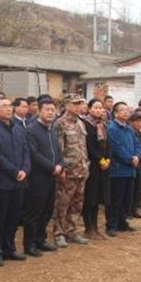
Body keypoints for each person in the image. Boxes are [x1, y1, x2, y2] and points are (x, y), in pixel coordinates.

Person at [0, 98, 30, 265]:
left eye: (10, 106)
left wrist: (25, 169)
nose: (8, 109)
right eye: (4, 106)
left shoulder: (19, 128)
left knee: (14, 217)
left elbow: (26, 151)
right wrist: (13, 171)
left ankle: (9, 248)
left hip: (19, 181)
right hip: (1, 181)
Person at [22, 98, 63, 256]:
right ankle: (29, 243)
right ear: (39, 111)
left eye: (53, 110)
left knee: (47, 210)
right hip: (37, 177)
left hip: (52, 176)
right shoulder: (32, 130)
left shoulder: (52, 130)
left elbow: (58, 151)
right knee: (34, 211)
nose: (50, 112)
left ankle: (41, 239)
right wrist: (52, 167)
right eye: (47, 109)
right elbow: (34, 154)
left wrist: (60, 164)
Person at [52, 95, 90, 245]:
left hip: (81, 169)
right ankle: (59, 233)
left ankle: (71, 231)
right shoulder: (60, 124)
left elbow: (83, 147)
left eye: (80, 104)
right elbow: (58, 149)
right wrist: (61, 169)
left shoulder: (81, 123)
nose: (78, 106)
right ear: (67, 105)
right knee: (63, 203)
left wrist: (86, 165)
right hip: (68, 171)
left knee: (77, 203)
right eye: (75, 104)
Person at [106, 105, 141, 236]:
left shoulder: (129, 128)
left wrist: (137, 156)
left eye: (127, 111)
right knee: (116, 199)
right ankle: (111, 225)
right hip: (118, 169)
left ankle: (122, 222)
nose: (126, 113)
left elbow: (137, 144)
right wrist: (129, 158)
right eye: (122, 110)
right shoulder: (112, 128)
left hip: (130, 169)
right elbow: (116, 148)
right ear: (115, 113)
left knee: (127, 198)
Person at [82, 98, 110, 239]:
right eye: (96, 107)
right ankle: (88, 228)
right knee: (90, 197)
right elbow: (89, 146)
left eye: (101, 108)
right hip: (91, 165)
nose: (99, 110)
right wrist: (100, 159)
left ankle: (95, 227)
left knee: (98, 197)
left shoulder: (103, 125)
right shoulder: (86, 125)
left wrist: (107, 159)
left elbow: (108, 144)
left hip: (103, 166)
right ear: (89, 109)